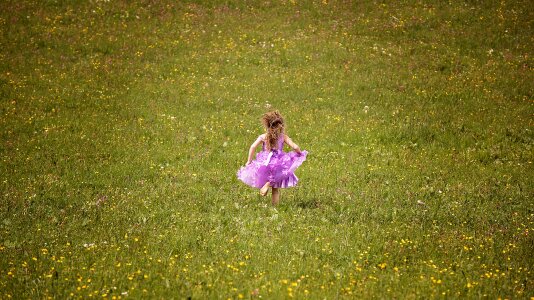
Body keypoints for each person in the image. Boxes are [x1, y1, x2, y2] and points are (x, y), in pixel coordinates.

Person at [237, 110, 308, 205]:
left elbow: (253, 146)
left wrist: (249, 160)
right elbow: (295, 147)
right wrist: (299, 153)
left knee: (266, 177)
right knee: (275, 189)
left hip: (265, 161)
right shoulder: (283, 137)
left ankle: (266, 184)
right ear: (280, 125)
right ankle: (274, 204)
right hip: (279, 162)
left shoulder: (263, 136)